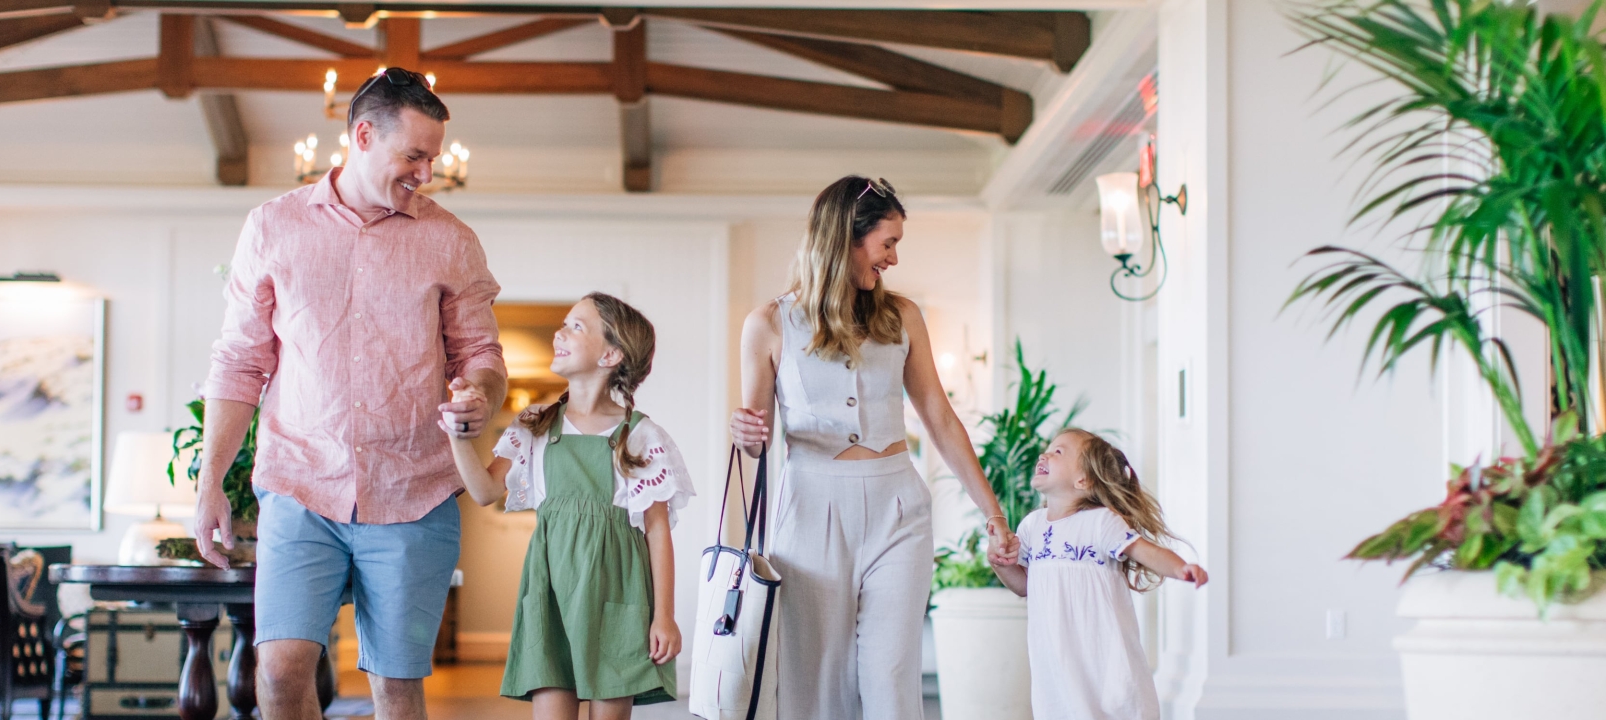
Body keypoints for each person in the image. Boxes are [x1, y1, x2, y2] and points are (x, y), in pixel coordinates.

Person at [193, 67, 507, 720]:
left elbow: (483, 358)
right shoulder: (273, 227)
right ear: (363, 135)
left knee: (396, 689)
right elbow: (239, 362)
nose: (426, 173)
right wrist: (210, 482)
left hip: (414, 492)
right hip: (300, 484)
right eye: (414, 156)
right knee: (278, 675)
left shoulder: (451, 241)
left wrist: (480, 394)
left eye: (433, 159)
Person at [729, 175, 1021, 720]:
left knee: (889, 674)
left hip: (897, 506)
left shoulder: (902, 316)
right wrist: (745, 433)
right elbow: (756, 436)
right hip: (812, 508)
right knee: (816, 678)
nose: (891, 258)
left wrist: (993, 512)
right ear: (846, 237)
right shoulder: (768, 324)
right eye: (887, 243)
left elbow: (939, 416)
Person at [445, 292, 694, 720]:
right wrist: (457, 434)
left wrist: (665, 616)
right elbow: (485, 490)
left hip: (621, 596)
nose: (560, 332)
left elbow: (657, 533)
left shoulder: (640, 434)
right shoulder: (535, 424)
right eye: (564, 323)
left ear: (611, 354)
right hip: (552, 595)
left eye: (576, 326)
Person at [990, 429, 1207, 720]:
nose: (1044, 454)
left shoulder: (1101, 522)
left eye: (1058, 452)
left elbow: (1145, 551)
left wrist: (1180, 567)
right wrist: (1002, 565)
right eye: (1048, 449)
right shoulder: (1032, 526)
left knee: (1113, 709)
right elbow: (1025, 586)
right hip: (1056, 663)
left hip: (1103, 657)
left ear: (1083, 480)